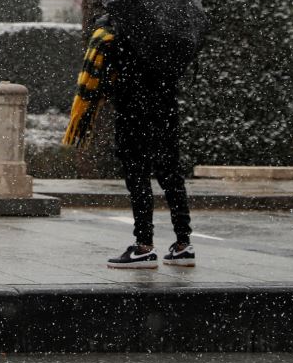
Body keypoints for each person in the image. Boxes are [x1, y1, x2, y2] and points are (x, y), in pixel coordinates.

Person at [63, 14, 194, 270]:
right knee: (171, 177)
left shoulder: (118, 34)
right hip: (166, 115)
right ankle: (183, 244)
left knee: (138, 179)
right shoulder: (169, 33)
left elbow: (110, 82)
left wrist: (107, 29)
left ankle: (144, 246)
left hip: (134, 116)